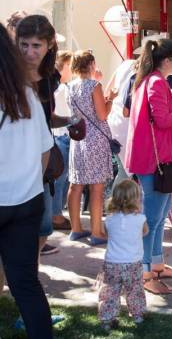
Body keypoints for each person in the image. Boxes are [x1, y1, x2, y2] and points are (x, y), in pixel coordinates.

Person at [125, 38, 172, 295]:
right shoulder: (156, 82)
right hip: (153, 160)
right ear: (166, 61)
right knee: (153, 219)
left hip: (151, 158)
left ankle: (156, 264)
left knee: (158, 215)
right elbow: (163, 119)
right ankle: (147, 274)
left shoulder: (148, 80)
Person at [0, 23, 54, 339]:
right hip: (27, 200)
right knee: (26, 283)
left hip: (16, 199)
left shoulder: (27, 94)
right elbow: (44, 150)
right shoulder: (28, 96)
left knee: (25, 282)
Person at [16, 15, 73, 256]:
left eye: (36, 45)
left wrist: (69, 121)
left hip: (43, 162)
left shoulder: (50, 78)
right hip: (14, 161)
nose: (30, 52)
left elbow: (44, 119)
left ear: (49, 45)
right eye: (24, 45)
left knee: (43, 229)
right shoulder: (10, 76)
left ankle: (27, 278)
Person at [66, 50, 116, 246]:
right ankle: (97, 232)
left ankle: (76, 229)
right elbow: (102, 115)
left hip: (78, 138)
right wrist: (110, 99)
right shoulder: (94, 86)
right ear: (91, 64)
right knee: (97, 187)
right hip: (95, 139)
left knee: (75, 185)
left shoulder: (70, 86)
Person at [97, 179, 148, 331]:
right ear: (136, 199)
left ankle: (107, 318)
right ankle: (138, 315)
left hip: (112, 262)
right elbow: (145, 232)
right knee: (135, 289)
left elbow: (106, 234)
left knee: (110, 291)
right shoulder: (140, 219)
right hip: (134, 262)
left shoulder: (110, 219)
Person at [50, 50, 73, 231]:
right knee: (60, 178)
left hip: (62, 135)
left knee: (62, 178)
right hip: (61, 136)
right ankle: (56, 215)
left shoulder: (61, 87)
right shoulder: (60, 88)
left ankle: (57, 212)